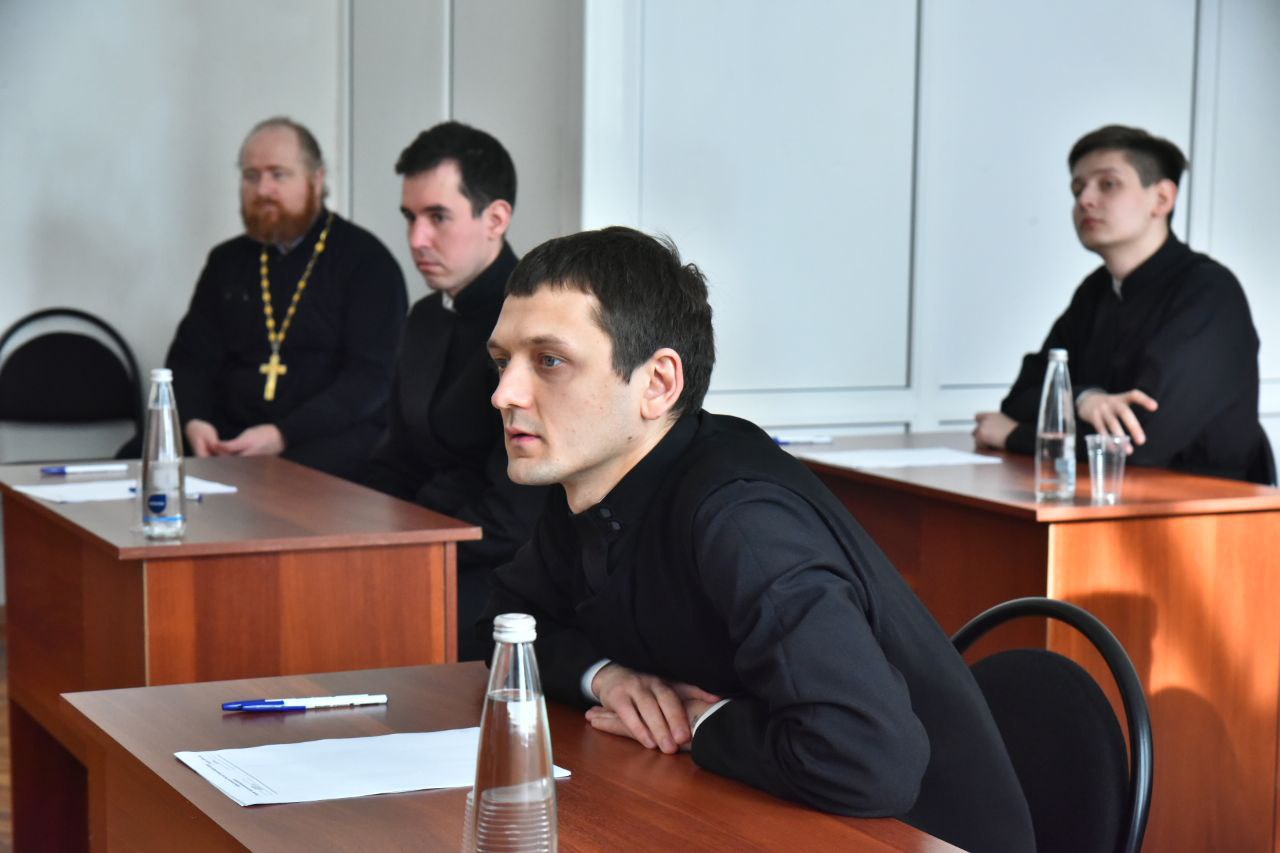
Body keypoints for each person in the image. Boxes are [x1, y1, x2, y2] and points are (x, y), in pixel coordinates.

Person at [480, 227, 1034, 852]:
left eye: (549, 361)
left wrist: (701, 722)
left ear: (658, 383)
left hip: (912, 837)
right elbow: (503, 622)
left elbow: (869, 759)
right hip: (760, 813)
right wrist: (606, 677)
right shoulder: (593, 478)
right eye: (502, 362)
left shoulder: (743, 520)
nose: (504, 394)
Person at [974, 124, 1269, 482]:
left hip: (1206, 503)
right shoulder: (1096, 290)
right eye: (1077, 188)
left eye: (1108, 184)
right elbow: (1023, 396)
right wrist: (1085, 400)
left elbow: (1140, 443)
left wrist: (1014, 436)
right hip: (1108, 493)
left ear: (1162, 199)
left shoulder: (1210, 293)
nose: (1085, 200)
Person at [362, 122, 548, 661]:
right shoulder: (425, 316)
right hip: (428, 547)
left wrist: (404, 544)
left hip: (500, 577)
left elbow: (517, 517)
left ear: (496, 219)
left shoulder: (537, 325)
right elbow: (395, 460)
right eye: (410, 218)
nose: (416, 239)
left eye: (438, 217)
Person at [162, 117, 406, 480]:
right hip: (226, 437)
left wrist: (283, 434)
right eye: (251, 176)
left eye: (278, 174)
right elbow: (190, 359)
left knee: (291, 482)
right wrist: (195, 421)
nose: (263, 189)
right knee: (139, 458)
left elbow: (371, 378)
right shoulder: (226, 261)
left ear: (316, 180)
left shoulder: (367, 261)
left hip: (320, 438)